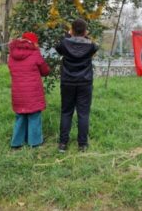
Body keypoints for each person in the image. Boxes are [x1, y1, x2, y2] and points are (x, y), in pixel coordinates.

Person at [55, 18, 98, 152]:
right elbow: (94, 46)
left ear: (72, 30)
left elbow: (58, 47)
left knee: (66, 112)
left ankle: (63, 144)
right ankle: (82, 145)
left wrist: (69, 35)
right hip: (85, 82)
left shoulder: (64, 44)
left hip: (67, 82)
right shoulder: (91, 46)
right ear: (85, 31)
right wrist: (85, 35)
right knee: (83, 113)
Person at [8, 32, 50, 148]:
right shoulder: (35, 53)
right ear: (33, 42)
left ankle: (17, 142)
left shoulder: (12, 54)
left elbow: (11, 69)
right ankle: (34, 142)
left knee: (20, 116)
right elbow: (45, 71)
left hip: (18, 91)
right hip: (33, 91)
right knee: (34, 115)